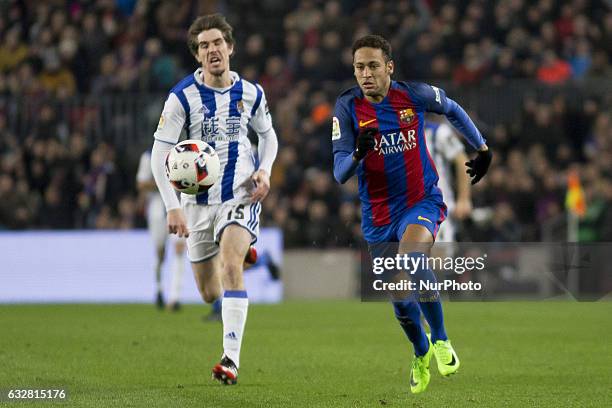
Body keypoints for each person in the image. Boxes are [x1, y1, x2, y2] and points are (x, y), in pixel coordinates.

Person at [332, 35, 491, 394]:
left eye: (373, 66)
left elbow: (452, 108)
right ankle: (420, 351)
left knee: (415, 260)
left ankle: (441, 340)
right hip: (378, 217)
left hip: (421, 202)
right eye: (359, 67)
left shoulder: (413, 95)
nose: (366, 74)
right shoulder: (347, 108)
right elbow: (339, 172)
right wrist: (358, 154)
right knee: (401, 304)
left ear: (389, 67)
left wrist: (482, 147)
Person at [150, 14, 278, 385]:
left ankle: (230, 360)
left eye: (217, 42)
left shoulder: (252, 93)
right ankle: (243, 256)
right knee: (208, 292)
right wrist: (173, 205)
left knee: (231, 267)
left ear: (230, 47)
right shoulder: (182, 98)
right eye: (204, 45)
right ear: (197, 55)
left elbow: (268, 137)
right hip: (196, 205)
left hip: (240, 193)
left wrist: (265, 169)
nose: (212, 50)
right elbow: (160, 153)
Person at [136, 150, 186, 311]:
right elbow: (141, 183)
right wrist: (166, 182)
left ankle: (175, 297)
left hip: (179, 206)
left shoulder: (184, 152)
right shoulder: (149, 155)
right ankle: (158, 289)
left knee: (179, 249)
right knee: (160, 252)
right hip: (157, 209)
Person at [424, 120, 472, 244]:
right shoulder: (395, 138)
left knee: (439, 260)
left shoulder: (438, 133)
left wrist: (464, 199)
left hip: (436, 211)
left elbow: (463, 162)